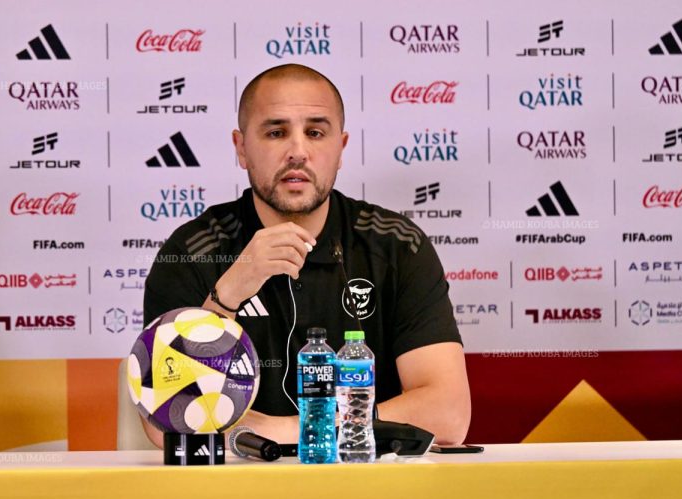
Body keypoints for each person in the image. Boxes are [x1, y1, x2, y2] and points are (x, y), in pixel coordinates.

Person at [142, 63, 470, 447]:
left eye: (315, 133)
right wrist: (228, 294)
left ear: (341, 148)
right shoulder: (191, 252)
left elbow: (448, 414)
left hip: (366, 477)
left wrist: (298, 428)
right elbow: (168, 423)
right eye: (276, 133)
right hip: (242, 479)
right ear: (241, 148)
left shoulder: (397, 245)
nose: (297, 152)